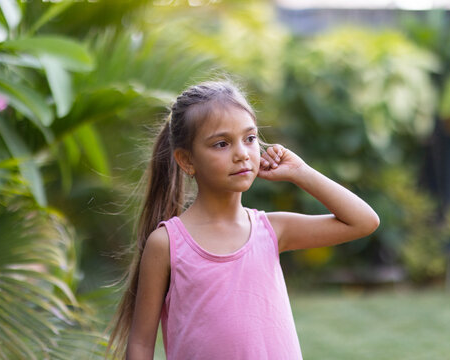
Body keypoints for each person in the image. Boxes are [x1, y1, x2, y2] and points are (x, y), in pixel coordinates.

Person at [105, 80, 380, 359]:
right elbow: (140, 344)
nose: (242, 154)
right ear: (187, 160)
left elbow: (363, 221)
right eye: (222, 144)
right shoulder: (167, 244)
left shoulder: (272, 230)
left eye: (249, 138)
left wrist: (300, 171)